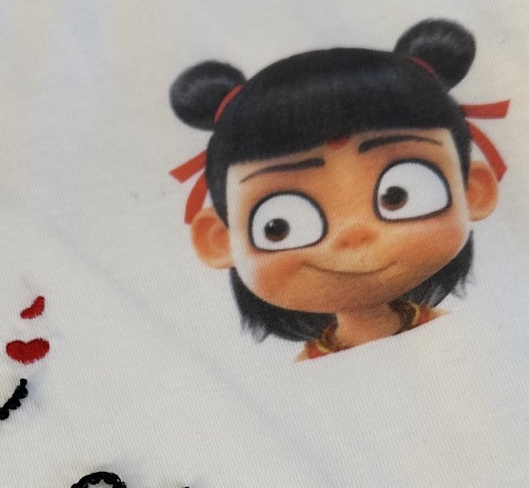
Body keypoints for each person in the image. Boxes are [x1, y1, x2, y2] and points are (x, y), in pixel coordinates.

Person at [170, 18, 505, 358]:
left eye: (398, 196)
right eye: (279, 225)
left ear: (473, 191)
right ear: (219, 240)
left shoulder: (479, 342)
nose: (353, 234)